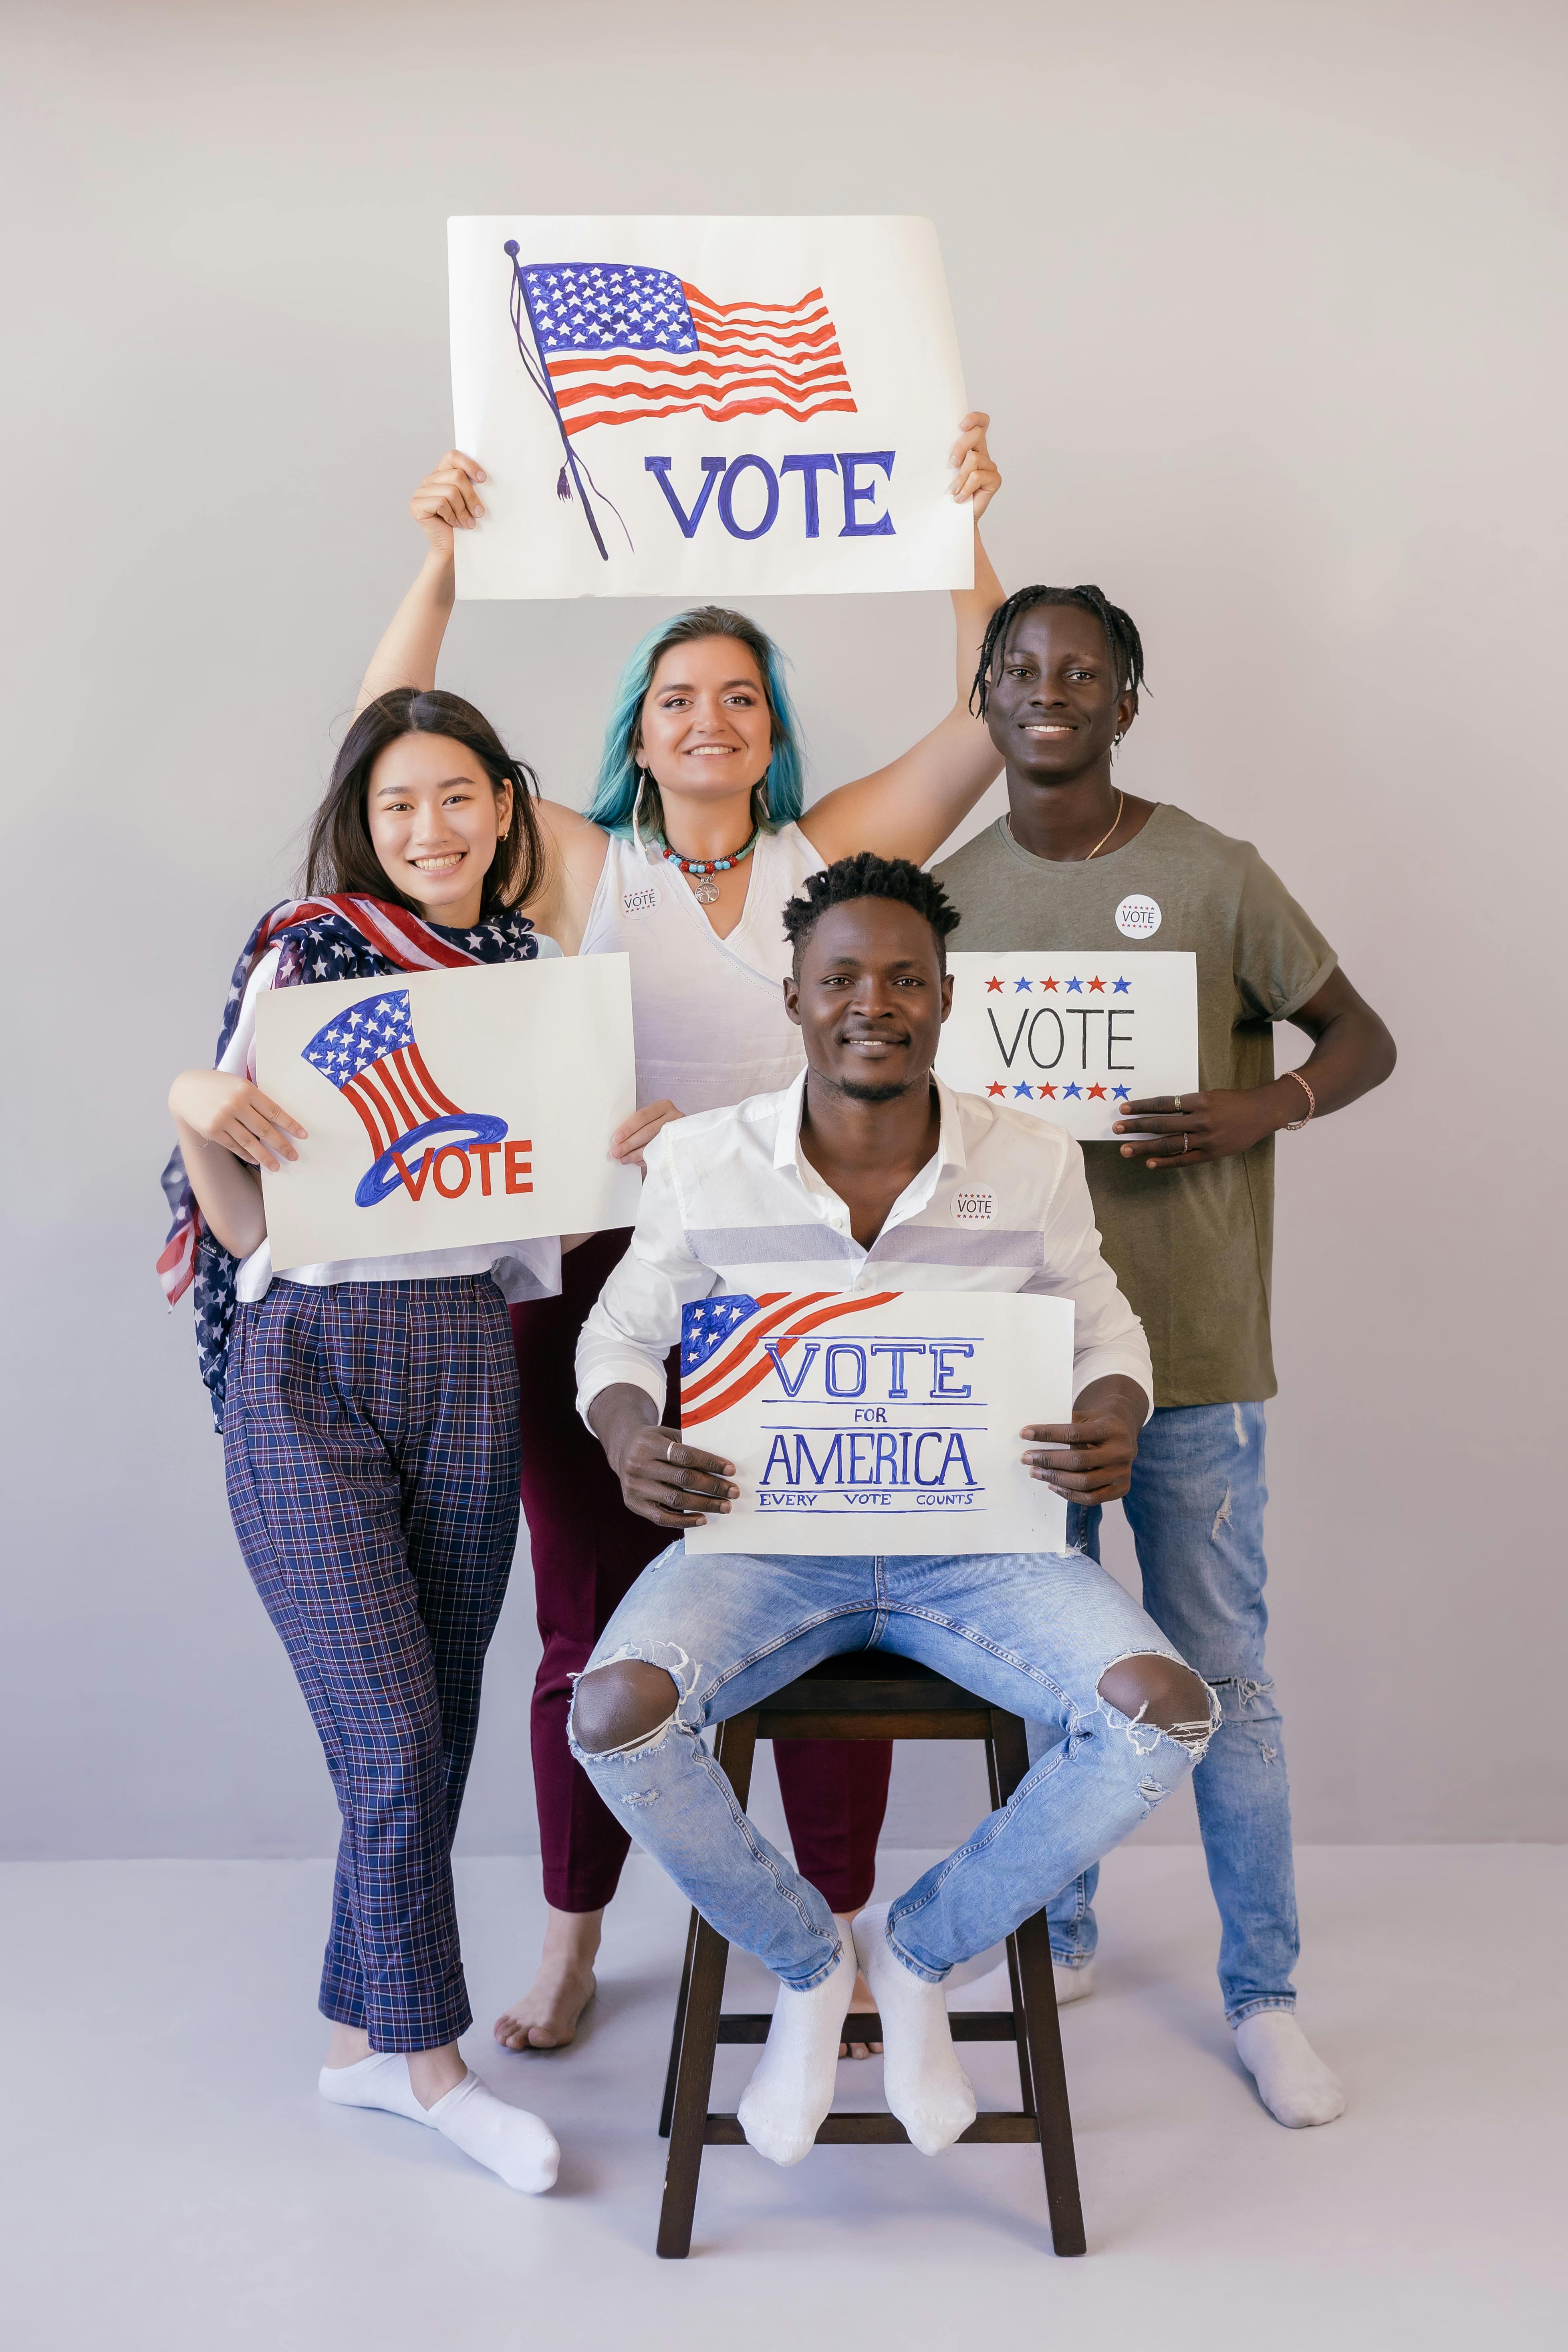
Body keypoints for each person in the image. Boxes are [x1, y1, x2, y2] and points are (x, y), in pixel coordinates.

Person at [354, 423, 1009, 2058]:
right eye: (675, 696)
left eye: (738, 692)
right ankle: (576, 1941)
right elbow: (389, 743)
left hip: (799, 1290)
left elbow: (990, 722)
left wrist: (963, 530)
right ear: (634, 739)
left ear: (770, 727)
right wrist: (439, 563)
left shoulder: (833, 851)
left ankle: (837, 1933)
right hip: (593, 1300)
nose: (708, 716)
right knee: (586, 1627)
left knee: (823, 1613)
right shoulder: (584, 858)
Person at [567, 854, 1217, 2165]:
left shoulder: (1027, 1159)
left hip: (973, 1549)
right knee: (614, 1714)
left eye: (906, 978)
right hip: (766, 1543)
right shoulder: (702, 1163)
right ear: (797, 1001)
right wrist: (632, 1435)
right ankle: (813, 1967)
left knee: (1164, 1712)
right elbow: (618, 1344)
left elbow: (1107, 1328)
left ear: (947, 997)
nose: (877, 1001)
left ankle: (918, 1953)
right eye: (843, 979)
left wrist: (1113, 1416)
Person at [932, 584, 1397, 2128]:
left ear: (1124, 704)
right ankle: (1055, 1934)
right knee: (1051, 1678)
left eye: (1080, 672)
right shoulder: (942, 894)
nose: (1047, 690)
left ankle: (1263, 1997)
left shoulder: (1211, 873)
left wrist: (1267, 1106)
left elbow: (1359, 1037)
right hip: (1020, 1360)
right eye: (1019, 669)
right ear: (986, 700)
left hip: (1192, 1351)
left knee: (1221, 1679)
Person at [159, 689, 573, 2194]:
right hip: (309, 1364)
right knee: (390, 1735)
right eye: (399, 804)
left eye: (457, 797)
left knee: (437, 1722)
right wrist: (195, 1101)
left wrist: (622, 1141)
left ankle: (354, 2048)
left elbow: (539, 1212)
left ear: (506, 808)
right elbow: (241, 1217)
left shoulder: (533, 974)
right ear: (365, 818)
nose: (430, 831)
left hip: (466, 1347)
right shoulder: (312, 948)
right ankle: (430, 2065)